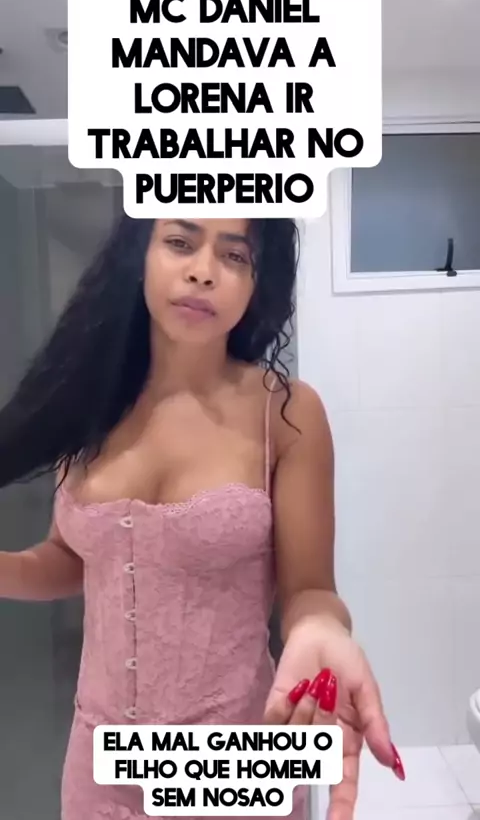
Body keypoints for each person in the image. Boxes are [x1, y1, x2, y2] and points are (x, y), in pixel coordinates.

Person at [0, 216, 404, 820]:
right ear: (139, 255)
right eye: (180, 243)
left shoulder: (286, 415)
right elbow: (72, 558)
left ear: (257, 284)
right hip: (98, 765)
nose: (203, 271)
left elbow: (310, 589)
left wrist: (322, 629)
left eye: (235, 256)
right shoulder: (89, 406)